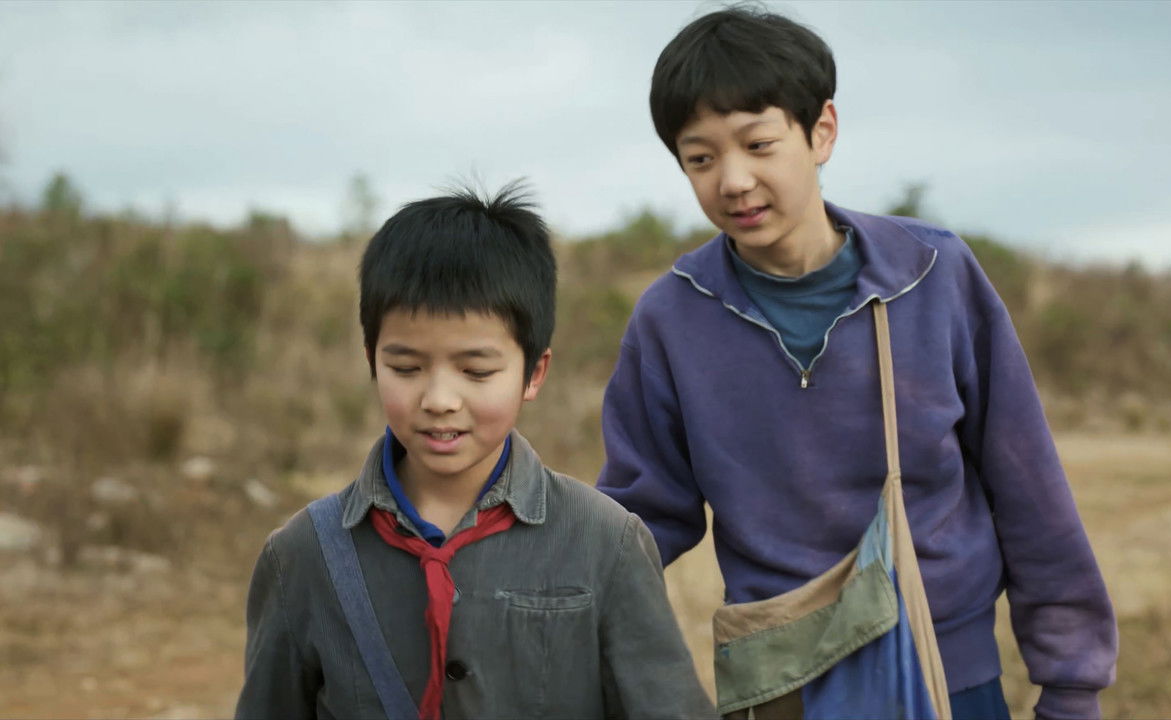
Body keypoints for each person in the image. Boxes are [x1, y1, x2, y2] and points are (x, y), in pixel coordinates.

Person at [596, 6, 1117, 719]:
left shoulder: (932, 274)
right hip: (781, 682)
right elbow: (641, 517)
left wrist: (1072, 684)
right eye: (701, 159)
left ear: (822, 132)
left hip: (945, 672)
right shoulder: (672, 317)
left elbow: (1026, 484)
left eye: (758, 143)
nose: (734, 180)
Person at [236, 183, 716, 720]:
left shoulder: (606, 542)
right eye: (406, 368)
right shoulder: (303, 556)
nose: (439, 399)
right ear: (372, 360)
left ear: (534, 373)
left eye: (477, 371)